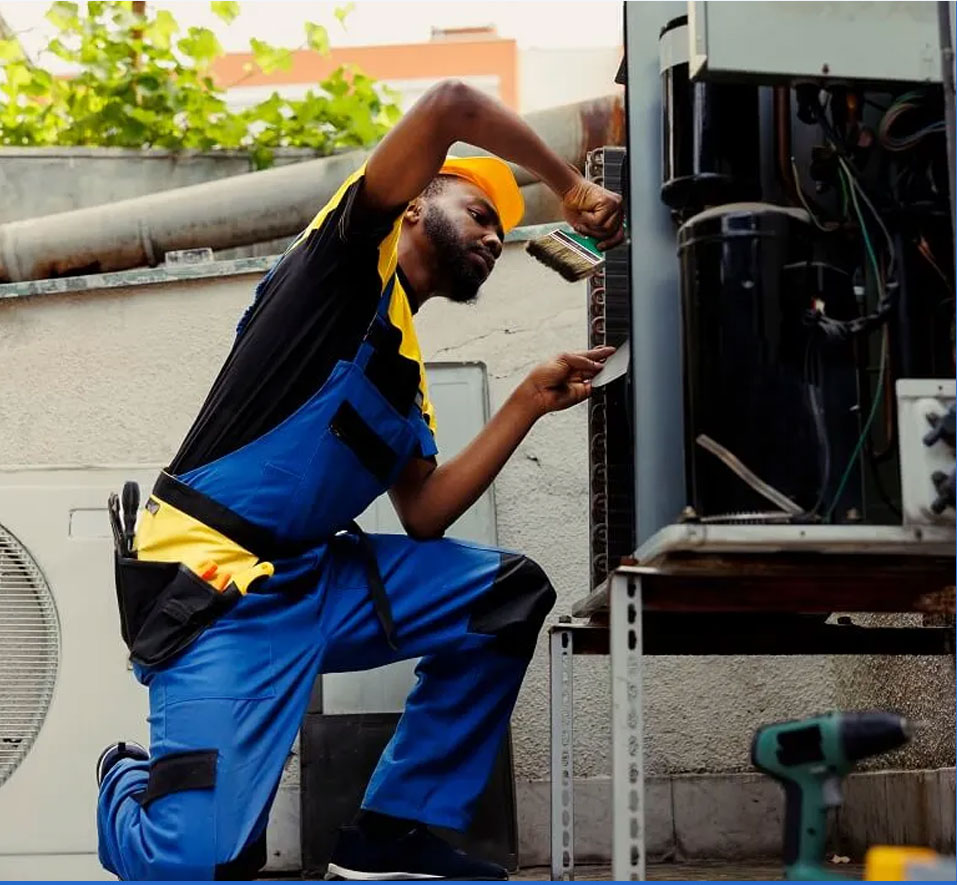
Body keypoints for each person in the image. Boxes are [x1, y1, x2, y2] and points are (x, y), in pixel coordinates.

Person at [97, 78, 624, 881]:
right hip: (216, 591)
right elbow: (450, 102)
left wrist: (526, 400)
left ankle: (389, 834)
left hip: (318, 581)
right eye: (479, 214)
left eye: (500, 231)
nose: (491, 238)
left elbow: (424, 514)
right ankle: (126, 777)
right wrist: (567, 183)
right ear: (414, 203)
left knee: (503, 596)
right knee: (198, 868)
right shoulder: (343, 259)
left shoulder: (407, 371)